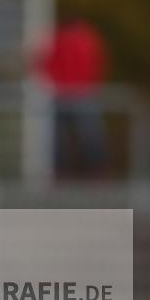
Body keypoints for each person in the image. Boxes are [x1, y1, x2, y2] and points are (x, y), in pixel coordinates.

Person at [36, 12, 110, 178]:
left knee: (61, 138)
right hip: (83, 93)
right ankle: (95, 174)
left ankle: (62, 174)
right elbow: (98, 62)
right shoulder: (88, 37)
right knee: (89, 136)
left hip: (63, 94)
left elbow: (45, 63)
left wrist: (57, 82)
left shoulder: (58, 38)